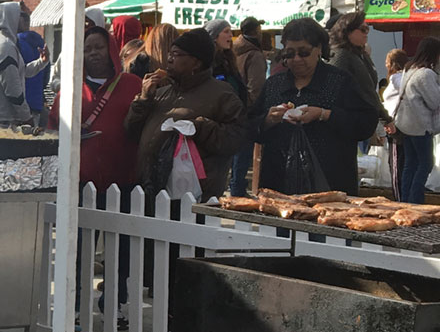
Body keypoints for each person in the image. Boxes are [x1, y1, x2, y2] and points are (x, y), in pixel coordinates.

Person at [49, 25, 143, 320]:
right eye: (87, 48)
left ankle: (115, 303)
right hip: (80, 182)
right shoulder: (70, 90)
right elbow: (53, 131)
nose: (94, 54)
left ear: (111, 49)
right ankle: (73, 305)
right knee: (76, 248)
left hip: (123, 180)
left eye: (99, 47)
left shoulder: (132, 85)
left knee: (120, 249)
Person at [252, 17, 379, 195]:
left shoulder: (339, 81)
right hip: (279, 186)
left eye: (303, 52)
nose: (296, 59)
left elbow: (365, 124)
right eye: (289, 54)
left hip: (330, 185)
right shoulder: (274, 84)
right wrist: (267, 120)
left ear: (318, 49)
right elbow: (249, 127)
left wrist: (324, 114)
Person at [125, 28, 246, 200]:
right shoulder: (161, 93)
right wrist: (144, 99)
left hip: (193, 195)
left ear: (196, 62)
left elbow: (235, 138)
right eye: (169, 54)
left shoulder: (222, 94)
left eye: (176, 54)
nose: (169, 59)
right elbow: (131, 131)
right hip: (150, 192)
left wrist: (200, 127)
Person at [0, 2, 45, 125]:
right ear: (8, 17)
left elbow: (18, 73)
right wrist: (27, 117)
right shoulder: (4, 45)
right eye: (17, 15)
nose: (19, 20)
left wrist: (41, 62)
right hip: (0, 119)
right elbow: (12, 89)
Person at [392, 38, 440, 204]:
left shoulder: (409, 68)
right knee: (425, 164)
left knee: (410, 164)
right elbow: (434, 101)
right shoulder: (426, 74)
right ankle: (415, 201)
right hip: (421, 126)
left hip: (406, 124)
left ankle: (406, 201)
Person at [229, 16, 268, 195]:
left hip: (233, 106)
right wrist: (254, 108)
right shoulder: (254, 54)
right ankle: (237, 187)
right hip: (247, 108)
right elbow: (257, 86)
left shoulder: (233, 49)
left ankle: (233, 184)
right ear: (255, 31)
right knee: (243, 151)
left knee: (234, 148)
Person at [381, 49, 408, 199]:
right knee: (405, 163)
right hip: (402, 124)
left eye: (387, 61)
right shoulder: (404, 76)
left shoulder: (397, 78)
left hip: (396, 126)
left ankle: (399, 198)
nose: (385, 64)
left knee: (396, 165)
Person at [16, 5, 51, 119]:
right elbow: (46, 72)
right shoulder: (41, 43)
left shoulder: (15, 43)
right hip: (37, 100)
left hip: (20, 101)